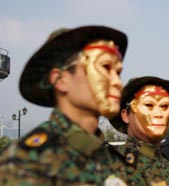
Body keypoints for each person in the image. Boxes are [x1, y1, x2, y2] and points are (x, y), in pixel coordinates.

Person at [0, 25, 128, 185]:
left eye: (118, 72)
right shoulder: (26, 162)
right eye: (105, 67)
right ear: (60, 79)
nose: (117, 82)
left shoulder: (114, 160)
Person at [107, 76, 169, 185]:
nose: (159, 114)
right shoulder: (112, 163)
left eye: (165, 106)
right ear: (126, 115)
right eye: (149, 105)